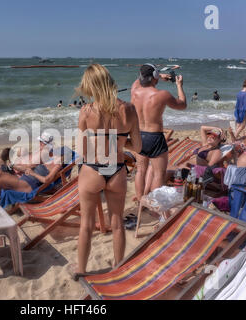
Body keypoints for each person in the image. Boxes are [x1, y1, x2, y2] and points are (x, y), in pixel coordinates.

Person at [75, 64, 141, 277]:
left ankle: (81, 270)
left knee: (86, 225)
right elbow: (138, 147)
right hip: (117, 170)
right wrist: (120, 142)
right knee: (117, 224)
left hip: (92, 170)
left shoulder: (86, 111)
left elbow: (82, 149)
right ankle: (118, 268)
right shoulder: (129, 109)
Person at [130, 63, 187, 203]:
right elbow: (182, 105)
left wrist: (157, 76)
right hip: (154, 137)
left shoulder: (134, 90)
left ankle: (140, 200)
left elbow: (138, 80)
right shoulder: (162, 95)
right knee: (158, 174)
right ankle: (154, 205)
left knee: (141, 171)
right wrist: (179, 85)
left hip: (138, 135)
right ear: (154, 76)